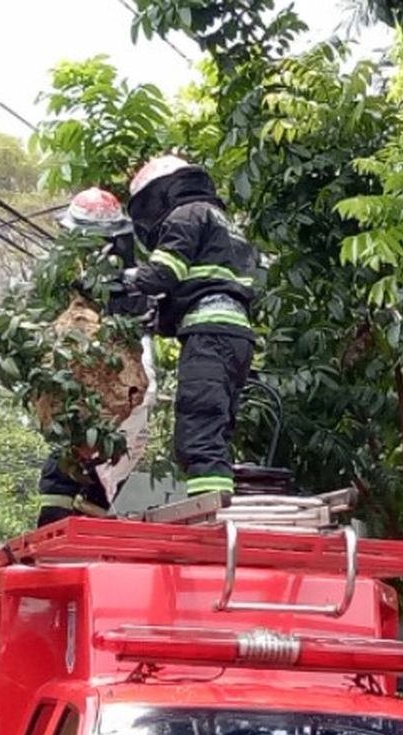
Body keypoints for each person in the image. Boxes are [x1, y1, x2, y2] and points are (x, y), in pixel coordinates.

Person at [125, 155, 258, 496]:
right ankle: (216, 500)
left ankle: (210, 512)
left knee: (198, 427)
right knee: (216, 425)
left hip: (209, 335)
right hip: (235, 335)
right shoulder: (223, 222)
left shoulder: (187, 215)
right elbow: (203, 282)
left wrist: (125, 279)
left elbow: (164, 273)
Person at [37, 186, 154, 526]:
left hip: (122, 382)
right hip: (115, 386)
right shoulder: (124, 283)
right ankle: (80, 513)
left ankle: (74, 516)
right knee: (80, 465)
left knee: (77, 465)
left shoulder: (121, 287)